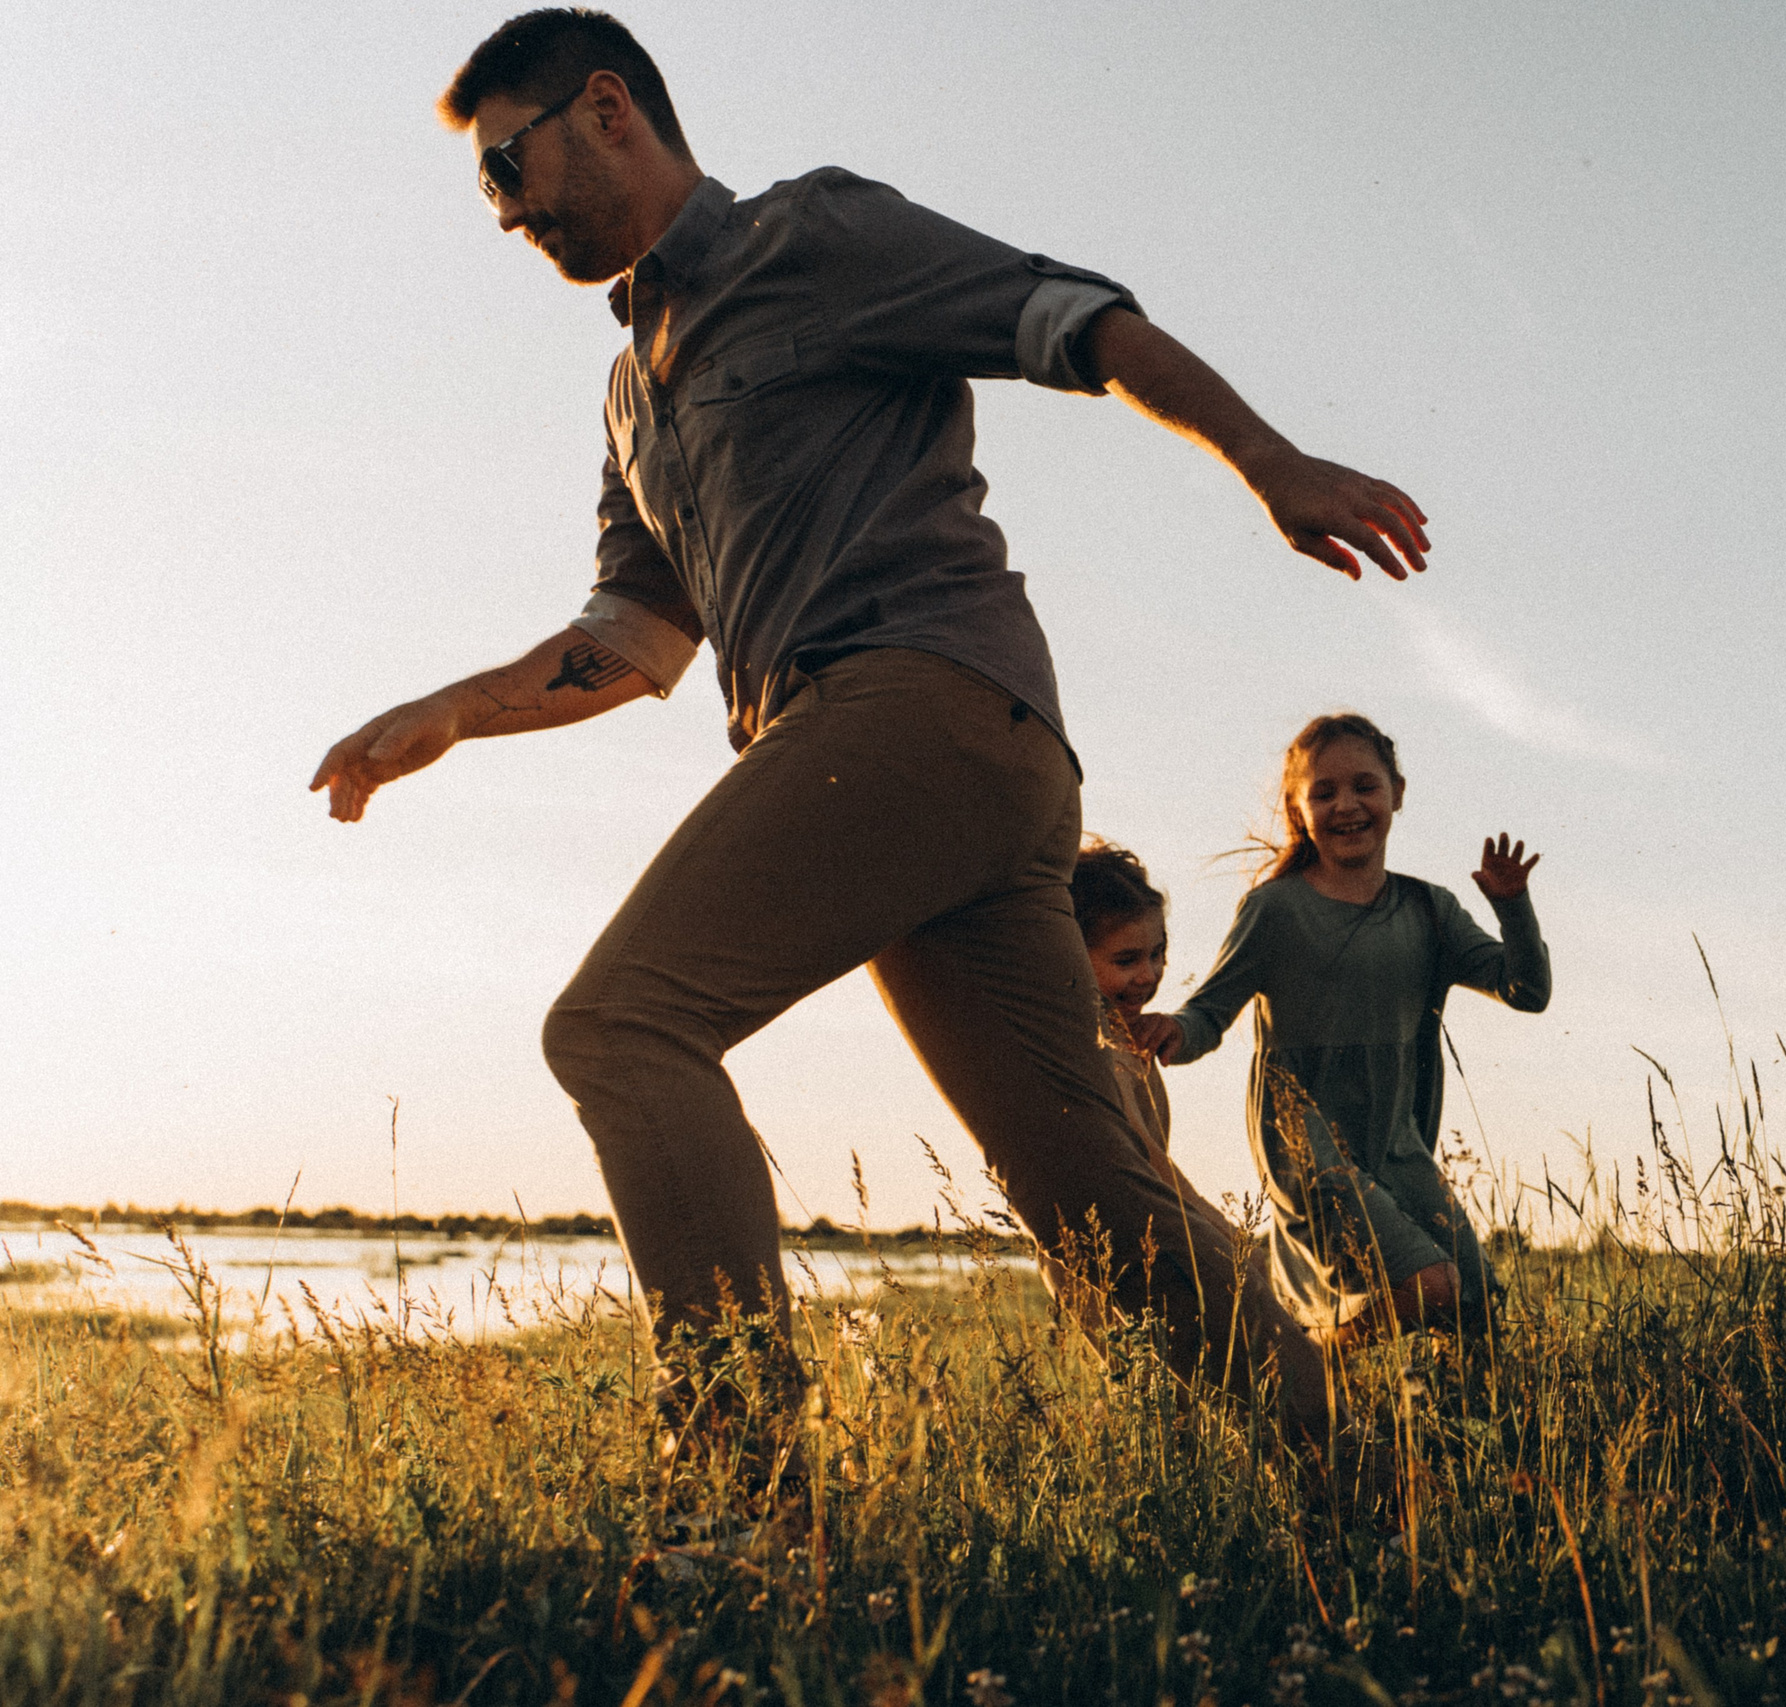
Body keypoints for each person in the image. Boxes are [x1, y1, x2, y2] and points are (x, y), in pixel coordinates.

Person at [308, 9, 1429, 1460]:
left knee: (623, 1024)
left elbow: (1074, 318)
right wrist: (453, 712)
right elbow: (638, 643)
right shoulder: (632, 390)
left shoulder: (811, 235)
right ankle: (1375, 1480)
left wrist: (1268, 460)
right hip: (914, 771)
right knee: (1086, 1190)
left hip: (919, 698)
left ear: (605, 109)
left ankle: (739, 1478)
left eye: (507, 167)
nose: (506, 213)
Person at [1132, 714, 1549, 1346]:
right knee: (1429, 1283)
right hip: (1307, 1141)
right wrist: (1174, 1032)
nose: (1346, 805)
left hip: (1397, 1143)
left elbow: (1528, 992)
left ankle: (1433, 1433)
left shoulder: (1429, 909)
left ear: (1397, 794)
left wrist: (1512, 905)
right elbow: (1209, 1013)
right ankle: (1314, 1364)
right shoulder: (1275, 909)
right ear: (1299, 811)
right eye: (1323, 793)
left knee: (1476, 1307)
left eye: (1364, 786)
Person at [1040, 840, 1293, 1350]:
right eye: (1127, 959)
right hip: (1101, 1249)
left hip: (1140, 1230)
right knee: (1161, 1376)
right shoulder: (1095, 1050)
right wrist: (1219, 1227)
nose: (1149, 975)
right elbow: (1147, 1158)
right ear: (1070, 952)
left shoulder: (1123, 1036)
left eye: (1158, 954)